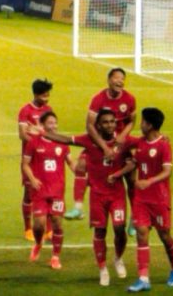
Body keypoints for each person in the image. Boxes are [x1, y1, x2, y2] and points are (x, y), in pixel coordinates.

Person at [43, 109, 131, 286]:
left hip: (117, 195)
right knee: (100, 232)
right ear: (98, 125)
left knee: (120, 229)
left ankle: (118, 258)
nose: (110, 125)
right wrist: (44, 134)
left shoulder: (122, 141)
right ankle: (102, 268)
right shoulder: (89, 140)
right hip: (97, 196)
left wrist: (162, 139)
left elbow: (140, 147)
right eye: (105, 122)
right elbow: (67, 140)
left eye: (112, 121)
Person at [66, 69, 137, 230]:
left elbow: (133, 120)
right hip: (101, 141)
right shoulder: (98, 99)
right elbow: (89, 125)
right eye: (116, 78)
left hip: (120, 143)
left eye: (122, 79)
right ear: (109, 80)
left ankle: (135, 216)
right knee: (81, 165)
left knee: (131, 178)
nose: (120, 81)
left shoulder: (129, 99)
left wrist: (123, 135)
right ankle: (78, 207)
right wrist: (104, 147)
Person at [125, 108, 173, 292]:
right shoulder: (140, 143)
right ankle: (143, 278)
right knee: (142, 233)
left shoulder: (164, 145)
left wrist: (148, 181)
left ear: (149, 125)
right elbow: (132, 156)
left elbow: (167, 171)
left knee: (164, 235)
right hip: (141, 199)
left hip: (159, 199)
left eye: (142, 122)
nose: (140, 125)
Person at [22, 111, 75, 270]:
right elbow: (25, 164)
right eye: (50, 123)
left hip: (57, 191)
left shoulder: (62, 143)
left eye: (55, 123)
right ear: (43, 125)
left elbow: (70, 163)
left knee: (58, 224)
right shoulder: (34, 143)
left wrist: (80, 174)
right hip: (39, 190)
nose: (54, 126)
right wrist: (32, 179)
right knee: (38, 225)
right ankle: (38, 243)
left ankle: (55, 256)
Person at [17, 79, 54, 241]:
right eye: (44, 95)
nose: (46, 99)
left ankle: (49, 229)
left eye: (48, 95)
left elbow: (51, 132)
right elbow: (22, 134)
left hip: (46, 158)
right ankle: (28, 229)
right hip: (30, 158)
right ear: (36, 94)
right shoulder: (25, 111)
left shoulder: (48, 110)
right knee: (29, 193)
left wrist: (38, 132)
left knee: (49, 192)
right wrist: (38, 136)